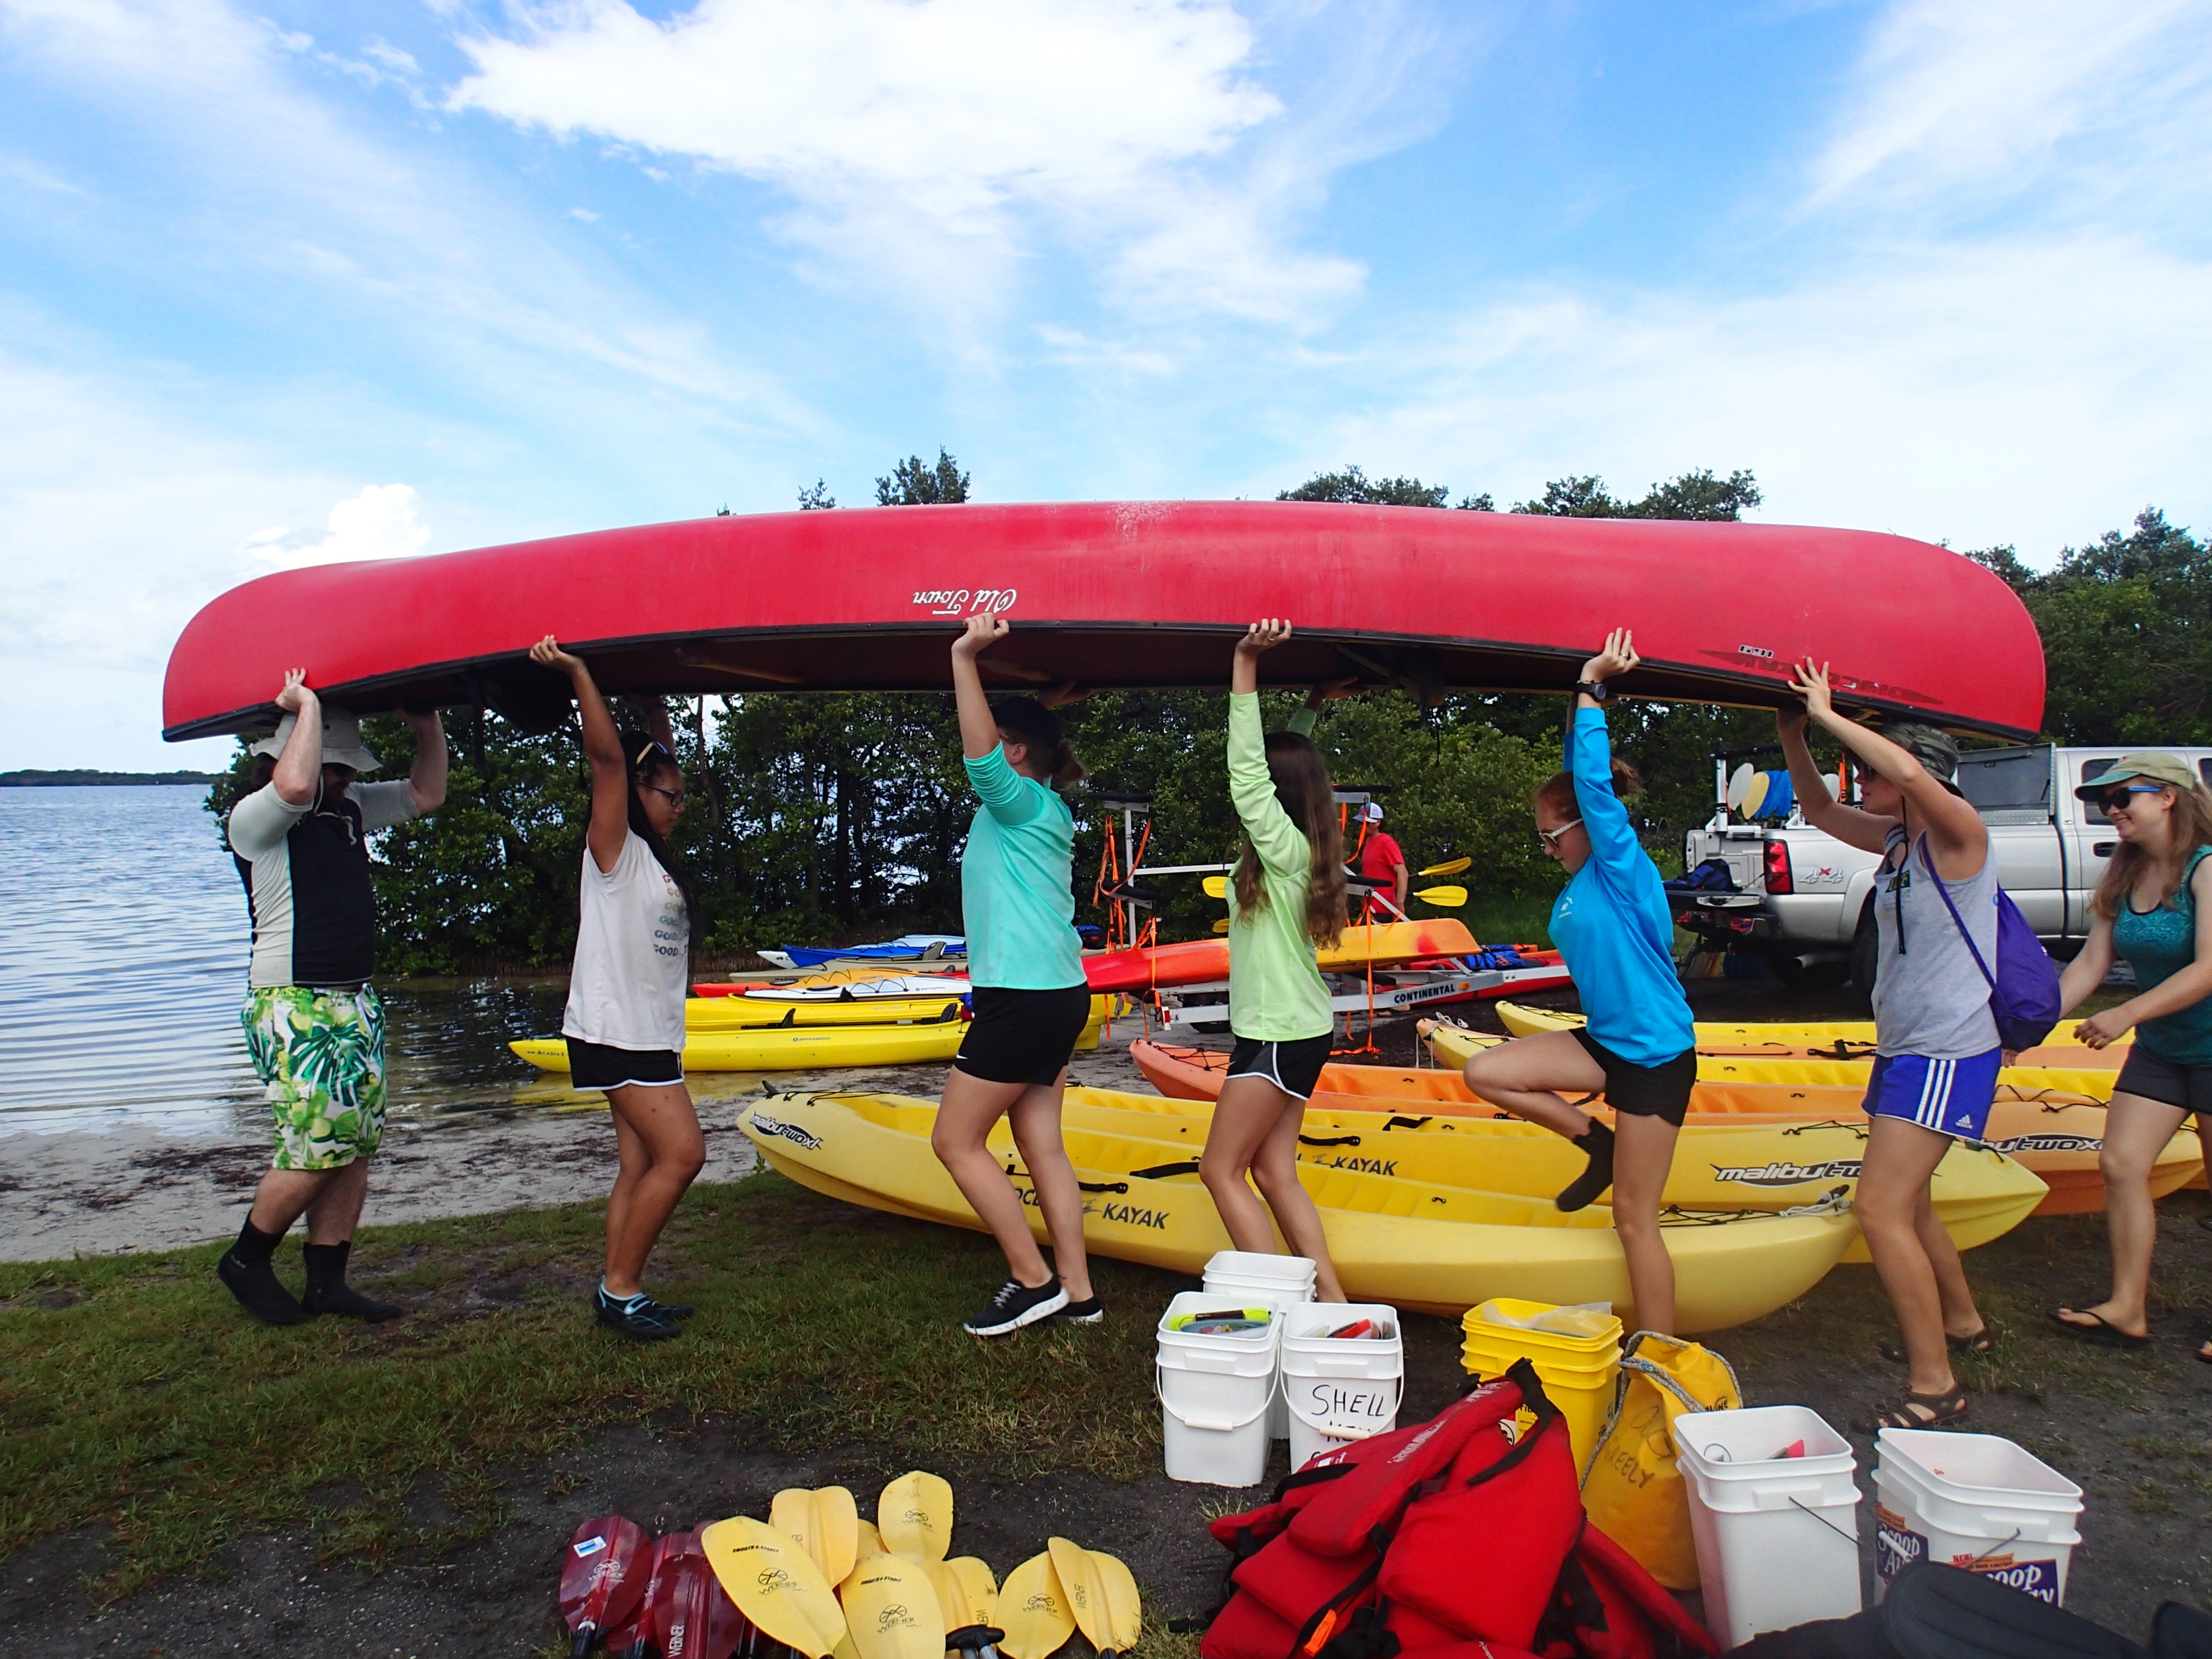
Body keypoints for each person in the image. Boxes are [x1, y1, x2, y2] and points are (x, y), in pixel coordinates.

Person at [1774, 663, 1997, 1427]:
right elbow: (1817, 809)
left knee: (1880, 1208)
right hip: (1908, 1048)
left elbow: (1902, 764)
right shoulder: (1899, 843)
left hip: (1946, 1050)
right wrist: (1794, 734)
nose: (1864, 781)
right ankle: (1964, 1323)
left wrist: (1831, 712)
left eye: (1873, 772)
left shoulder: (1961, 837)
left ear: (1919, 780)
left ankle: (1934, 1383)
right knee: (1914, 1201)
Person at [1459, 629, 1694, 1338]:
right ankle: (1594, 1143)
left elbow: (1589, 787)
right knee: (1485, 1071)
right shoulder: (1587, 878)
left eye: (1549, 836)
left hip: (1654, 1055)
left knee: (1633, 1221)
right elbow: (1575, 774)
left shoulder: (1621, 870)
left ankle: (1658, 1350)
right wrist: (1575, 701)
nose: (1546, 848)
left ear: (1586, 827)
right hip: (1604, 1043)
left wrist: (1593, 688)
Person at [218, 671, 447, 1325]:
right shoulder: (257, 817)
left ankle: (327, 1281)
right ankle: (247, 1258)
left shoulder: (345, 808)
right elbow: (294, 785)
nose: (344, 780)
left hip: (351, 1001)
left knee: (354, 1144)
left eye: (348, 770)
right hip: (293, 1002)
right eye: (336, 767)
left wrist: (424, 724)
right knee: (321, 1141)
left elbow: (424, 793)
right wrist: (307, 704)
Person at [529, 637, 707, 1343]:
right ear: (638, 794)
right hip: (614, 1031)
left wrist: (656, 709)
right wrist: (579, 676)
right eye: (670, 794)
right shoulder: (613, 849)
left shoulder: (652, 859)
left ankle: (617, 1290)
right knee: (684, 1155)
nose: (679, 805)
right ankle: (620, 1288)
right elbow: (611, 762)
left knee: (639, 1164)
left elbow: (642, 764)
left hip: (646, 1034)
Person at [928, 614, 1102, 1336]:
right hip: (1057, 994)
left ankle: (1032, 1281)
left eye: (1005, 742)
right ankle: (1080, 1292)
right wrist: (1038, 716)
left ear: (1017, 754)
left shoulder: (1019, 801)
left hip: (1026, 999)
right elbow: (1007, 748)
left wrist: (964, 655)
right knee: (1042, 1145)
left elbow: (983, 758)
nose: (987, 752)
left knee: (955, 1142)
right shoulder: (1045, 805)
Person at [1198, 620, 1353, 1303]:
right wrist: (1312, 703)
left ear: (1275, 800)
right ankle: (1336, 1306)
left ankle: (1282, 1305)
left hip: (1274, 1034)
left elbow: (1248, 770)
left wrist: (1244, 666)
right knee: (1274, 1171)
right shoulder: (1300, 845)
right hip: (1299, 1027)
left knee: (1220, 1170)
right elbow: (1288, 766)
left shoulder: (1283, 847)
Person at [2048, 754, 2212, 1365]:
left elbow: (2207, 968)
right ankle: (2125, 1306)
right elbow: (2090, 965)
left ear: (2167, 797)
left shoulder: (2205, 868)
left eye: (2123, 798)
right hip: (2163, 1052)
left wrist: (2124, 1014)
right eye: (2103, 803)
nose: (2110, 811)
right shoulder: (2122, 874)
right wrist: (2027, 1024)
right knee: (2118, 1164)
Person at [1354, 803, 1409, 917]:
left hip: (1385, 909)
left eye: (1366, 823)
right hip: (1370, 909)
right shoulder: (1368, 843)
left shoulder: (1386, 842)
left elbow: (1402, 872)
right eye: (1361, 823)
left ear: (1377, 822)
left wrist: (1400, 903)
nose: (1362, 826)